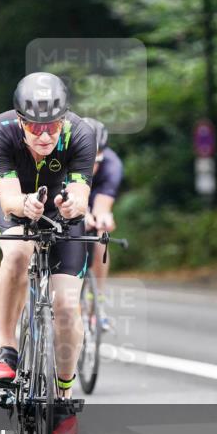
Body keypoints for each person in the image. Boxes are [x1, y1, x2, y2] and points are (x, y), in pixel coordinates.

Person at [0, 72, 95, 434]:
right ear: (20, 120)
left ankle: (63, 393)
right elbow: (10, 198)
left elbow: (80, 195)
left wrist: (69, 205)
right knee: (17, 251)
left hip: (64, 213)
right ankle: (7, 346)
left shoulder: (80, 133)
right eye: (35, 127)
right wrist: (24, 205)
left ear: (62, 119)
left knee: (65, 305)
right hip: (13, 202)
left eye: (52, 126)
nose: (45, 135)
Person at [82, 117, 123, 328]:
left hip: (93, 196)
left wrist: (101, 217)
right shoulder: (59, 158)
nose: (92, 167)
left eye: (96, 161)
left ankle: (97, 302)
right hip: (65, 196)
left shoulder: (112, 166)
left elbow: (102, 207)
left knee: (101, 238)